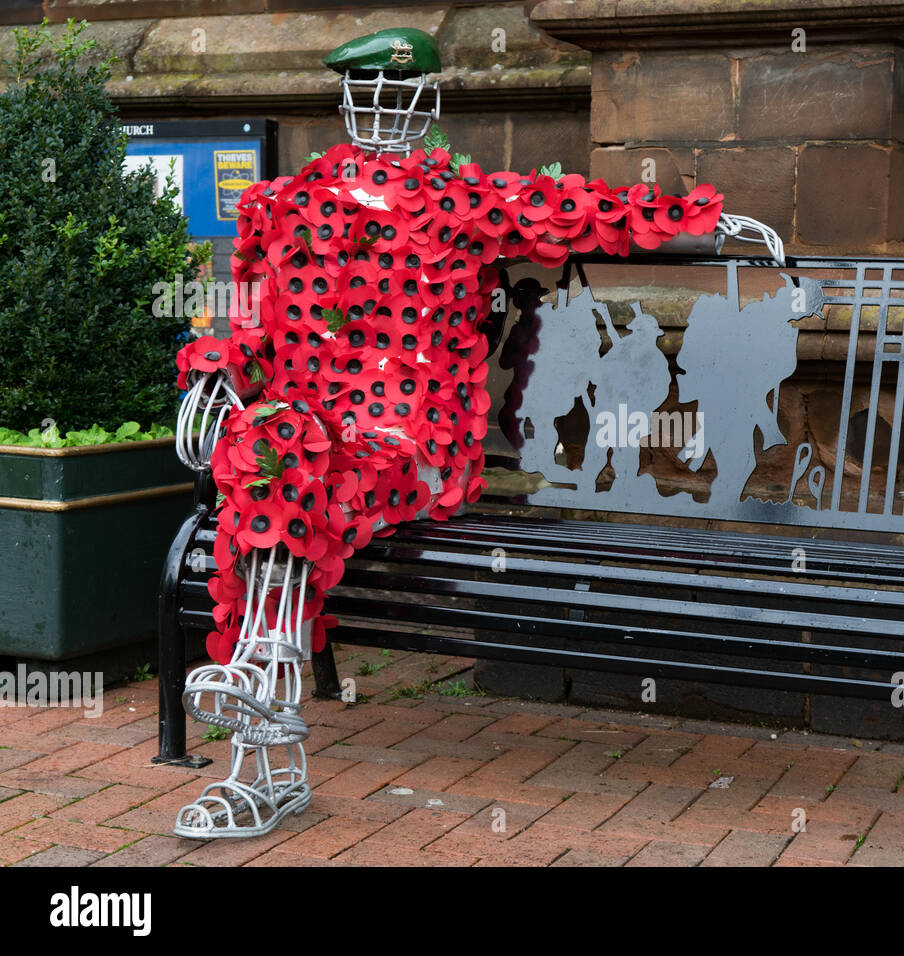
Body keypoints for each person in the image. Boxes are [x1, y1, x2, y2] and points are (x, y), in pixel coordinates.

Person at [168, 28, 783, 837]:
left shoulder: (461, 199)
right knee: (278, 453)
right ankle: (267, 707)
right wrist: (217, 370)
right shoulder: (283, 207)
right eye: (372, 96)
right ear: (348, 100)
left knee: (282, 463)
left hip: (414, 448)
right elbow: (250, 321)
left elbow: (586, 213)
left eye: (404, 96)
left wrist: (705, 222)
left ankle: (261, 717)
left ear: (427, 103)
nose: (387, 112)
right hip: (313, 437)